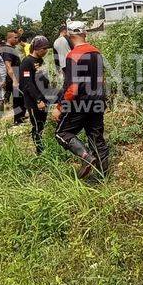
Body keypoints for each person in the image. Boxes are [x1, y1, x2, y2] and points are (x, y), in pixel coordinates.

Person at [52, 21, 110, 178]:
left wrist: (60, 107)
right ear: (85, 33)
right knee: (96, 138)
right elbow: (102, 79)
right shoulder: (96, 53)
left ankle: (86, 158)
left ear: (69, 36)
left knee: (62, 133)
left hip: (80, 103)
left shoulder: (73, 56)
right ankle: (103, 178)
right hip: (97, 100)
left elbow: (73, 87)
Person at [19, 35, 54, 154]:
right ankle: (39, 151)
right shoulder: (27, 62)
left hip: (44, 98)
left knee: (42, 124)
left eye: (47, 48)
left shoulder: (40, 60)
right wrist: (38, 100)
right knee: (37, 125)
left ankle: (42, 145)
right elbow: (27, 84)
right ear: (36, 48)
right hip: (34, 101)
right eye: (43, 49)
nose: (46, 51)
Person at [3, 30, 26, 124]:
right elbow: (8, 66)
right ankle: (17, 120)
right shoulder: (7, 50)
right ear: (9, 38)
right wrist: (15, 81)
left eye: (18, 37)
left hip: (17, 76)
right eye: (15, 38)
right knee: (17, 100)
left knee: (21, 99)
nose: (17, 39)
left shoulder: (11, 48)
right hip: (13, 78)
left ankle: (21, 117)